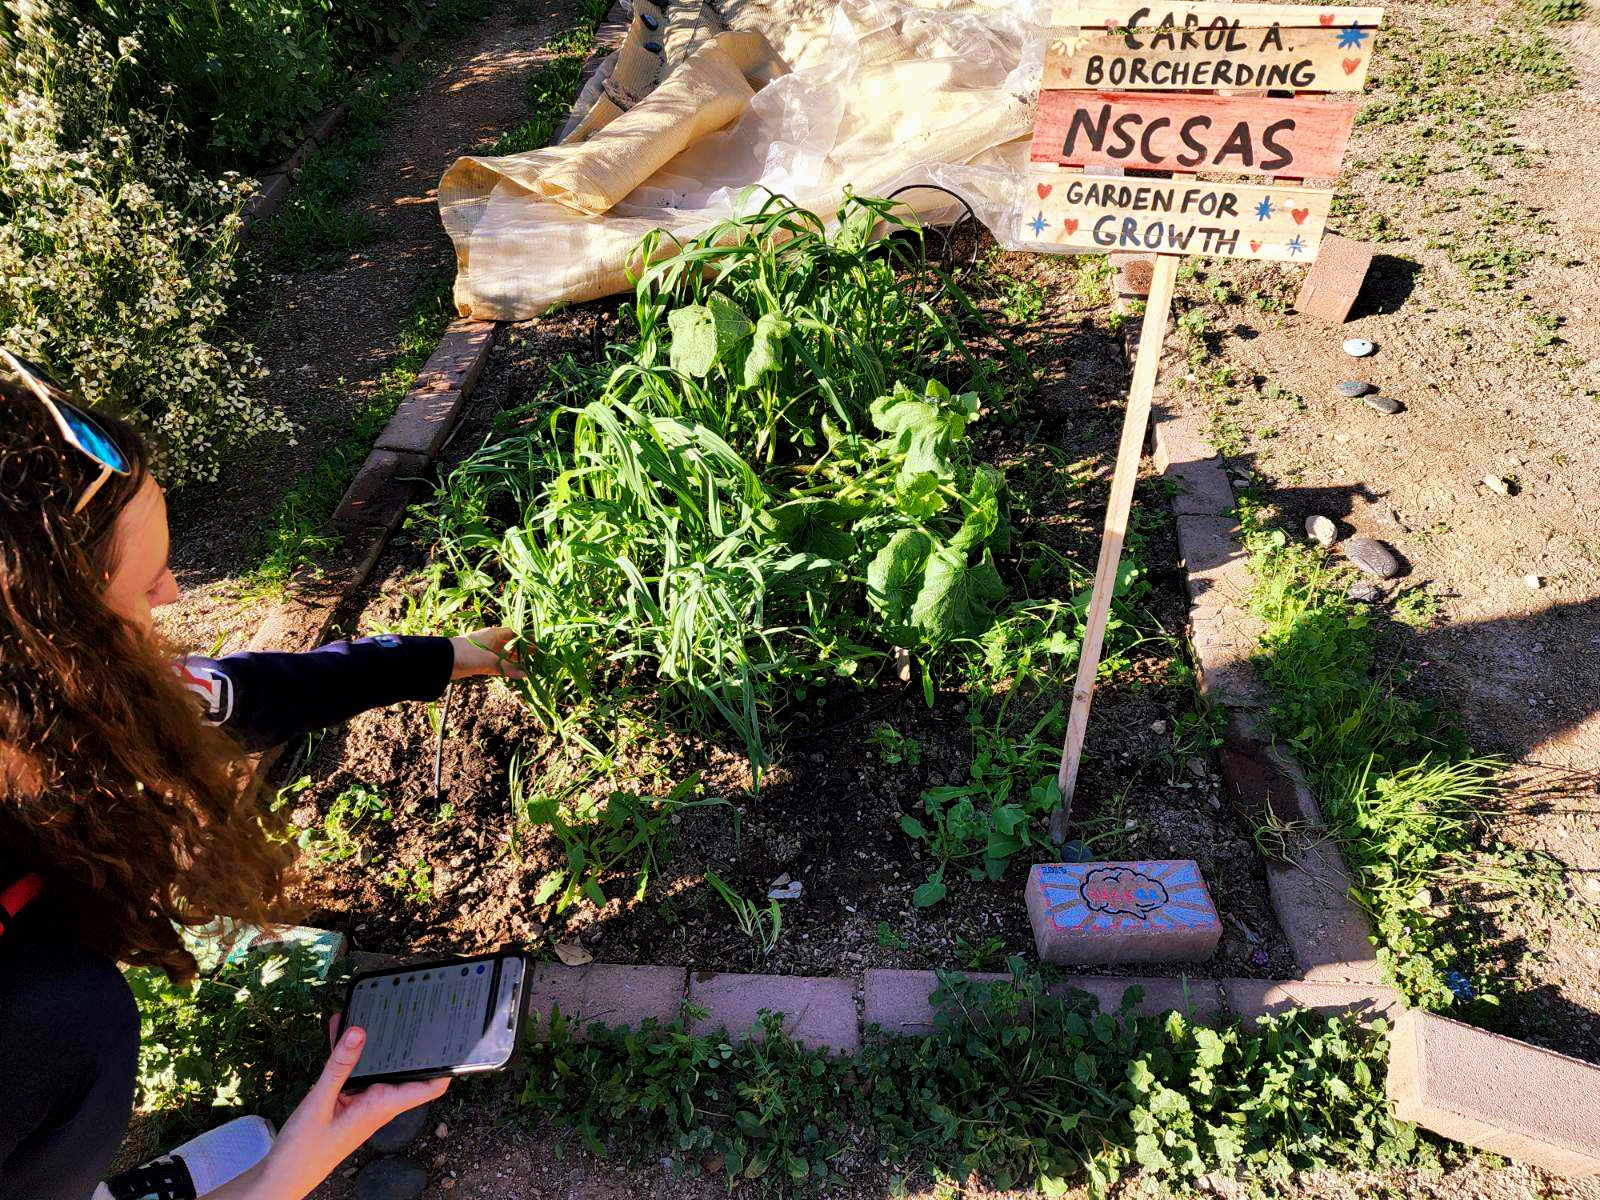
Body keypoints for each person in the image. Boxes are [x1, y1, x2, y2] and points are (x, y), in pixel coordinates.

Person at [0, 351, 524, 1200]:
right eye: (142, 587)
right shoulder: (39, 1007)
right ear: (45, 637)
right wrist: (279, 1181)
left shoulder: (62, 698)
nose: (172, 596)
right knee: (77, 1029)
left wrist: (439, 658)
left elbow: (246, 694)